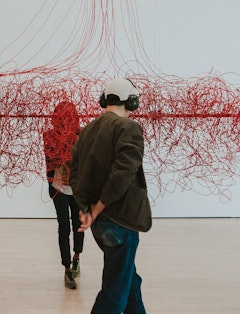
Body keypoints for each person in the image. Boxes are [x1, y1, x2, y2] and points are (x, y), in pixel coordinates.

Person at [69, 78, 152, 313]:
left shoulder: (88, 130)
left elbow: (74, 173)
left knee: (129, 280)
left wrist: (85, 208)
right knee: (114, 291)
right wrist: (96, 208)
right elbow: (122, 174)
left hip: (101, 224)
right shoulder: (129, 128)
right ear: (132, 101)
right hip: (120, 220)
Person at [43, 101, 84, 290]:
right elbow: (53, 159)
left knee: (78, 225)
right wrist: (65, 139)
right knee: (64, 227)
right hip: (59, 187)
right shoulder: (50, 136)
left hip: (76, 189)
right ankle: (67, 269)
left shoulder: (82, 135)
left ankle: (76, 258)